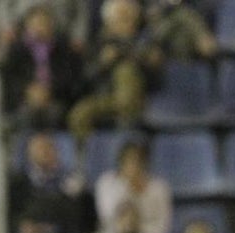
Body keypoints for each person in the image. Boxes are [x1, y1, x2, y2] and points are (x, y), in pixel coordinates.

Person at [67, 0, 163, 141]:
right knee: (79, 114)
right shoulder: (99, 44)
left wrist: (148, 63)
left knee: (126, 70)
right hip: (104, 98)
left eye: (129, 18)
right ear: (109, 22)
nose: (127, 23)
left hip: (139, 100)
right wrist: (102, 64)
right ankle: (86, 152)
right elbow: (86, 78)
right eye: (121, 19)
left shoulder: (146, 43)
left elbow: (157, 81)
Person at [0, 3, 85, 130]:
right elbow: (10, 80)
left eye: (43, 23)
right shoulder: (16, 51)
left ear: (51, 25)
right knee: (26, 116)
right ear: (27, 27)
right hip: (24, 102)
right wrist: (28, 91)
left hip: (56, 101)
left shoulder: (64, 49)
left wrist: (49, 91)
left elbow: (71, 80)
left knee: (56, 115)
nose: (39, 28)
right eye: (35, 24)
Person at [94, 138, 173, 233]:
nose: (134, 167)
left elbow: (163, 228)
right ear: (121, 163)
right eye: (129, 162)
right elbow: (108, 219)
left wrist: (137, 231)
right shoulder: (106, 183)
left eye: (138, 162)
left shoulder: (159, 188)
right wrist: (127, 187)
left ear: (145, 164)